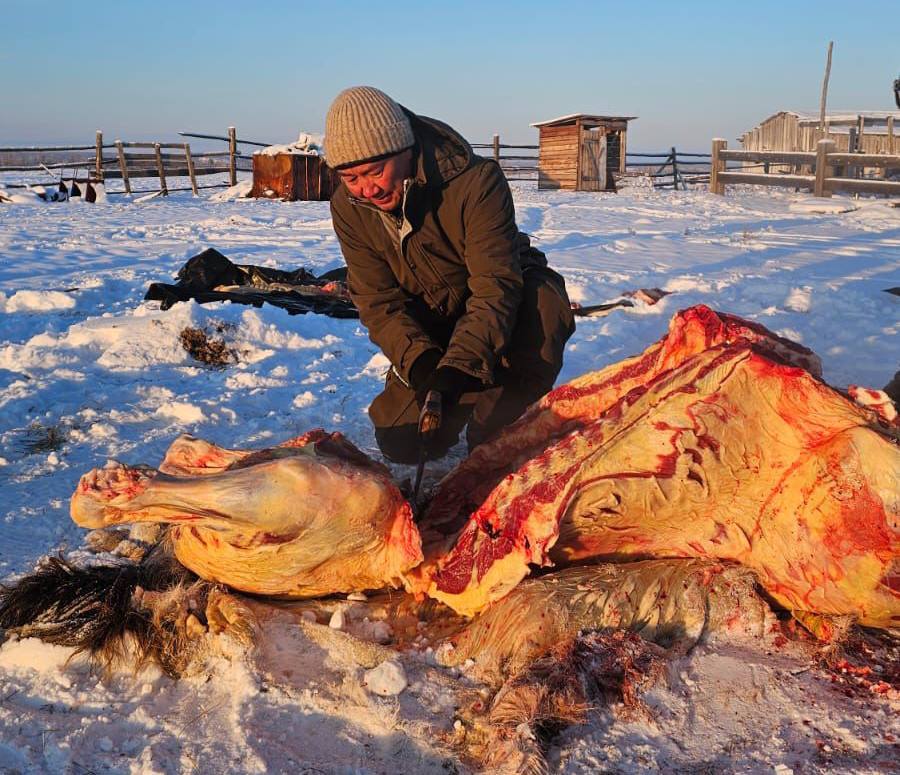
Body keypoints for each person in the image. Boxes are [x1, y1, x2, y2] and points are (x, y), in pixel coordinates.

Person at [326, 86, 575, 464]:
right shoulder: (348, 207)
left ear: (404, 149)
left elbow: (496, 286)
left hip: (508, 304)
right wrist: (422, 362)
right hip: (435, 316)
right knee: (403, 442)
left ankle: (501, 399)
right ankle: (465, 383)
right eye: (351, 178)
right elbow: (377, 300)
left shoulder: (475, 181)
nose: (367, 188)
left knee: (499, 441)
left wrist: (459, 368)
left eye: (375, 171)